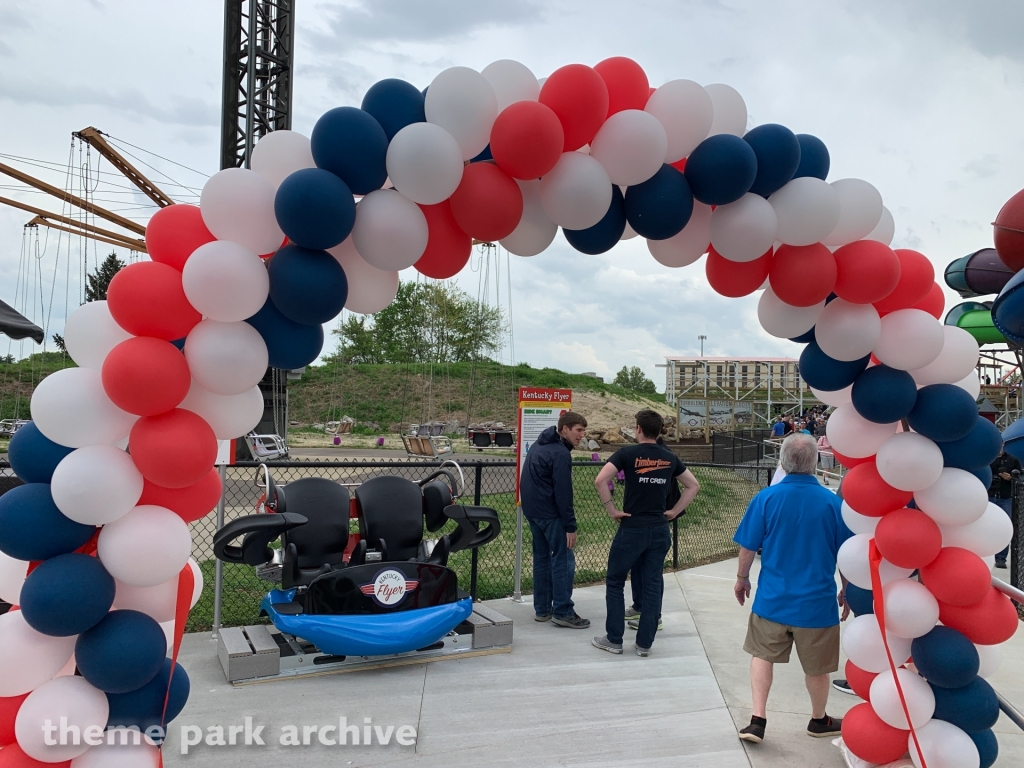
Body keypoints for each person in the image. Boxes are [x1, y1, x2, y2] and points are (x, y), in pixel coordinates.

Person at [732, 433, 853, 744]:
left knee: (762, 655)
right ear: (816, 462)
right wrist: (846, 588)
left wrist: (742, 578)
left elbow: (748, 546)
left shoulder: (766, 498)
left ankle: (757, 720)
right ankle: (818, 719)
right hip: (816, 603)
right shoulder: (832, 503)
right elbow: (846, 554)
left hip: (772, 600)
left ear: (782, 461)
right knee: (817, 668)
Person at [592, 410, 700, 656]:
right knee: (652, 585)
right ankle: (644, 644)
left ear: (638, 429)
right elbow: (693, 485)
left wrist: (612, 510)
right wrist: (674, 511)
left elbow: (601, 480)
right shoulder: (669, 457)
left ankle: (614, 639)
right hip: (659, 529)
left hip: (632, 527)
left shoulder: (627, 454)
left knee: (615, 581)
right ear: (660, 430)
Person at [520, 411, 591, 628]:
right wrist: (570, 525)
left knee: (542, 558)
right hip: (551, 514)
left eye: (583, 431)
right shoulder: (559, 453)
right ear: (565, 429)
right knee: (563, 559)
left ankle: (542, 610)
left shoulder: (539, 445)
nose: (582, 435)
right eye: (578, 430)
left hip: (533, 512)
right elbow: (563, 492)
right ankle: (562, 610)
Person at [625, 434, 680, 632]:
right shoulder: (648, 453)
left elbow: (688, 485)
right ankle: (640, 606)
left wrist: (672, 510)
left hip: (655, 520)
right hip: (643, 520)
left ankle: (654, 616)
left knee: (652, 573)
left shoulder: (664, 455)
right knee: (639, 567)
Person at [990, 442, 1021, 569]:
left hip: (1005, 497)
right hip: (990, 495)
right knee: (988, 526)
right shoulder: (988, 459)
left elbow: (1020, 478)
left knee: (1003, 527)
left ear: (1003, 445)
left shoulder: (1012, 460)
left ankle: (1001, 557)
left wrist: (1011, 478)